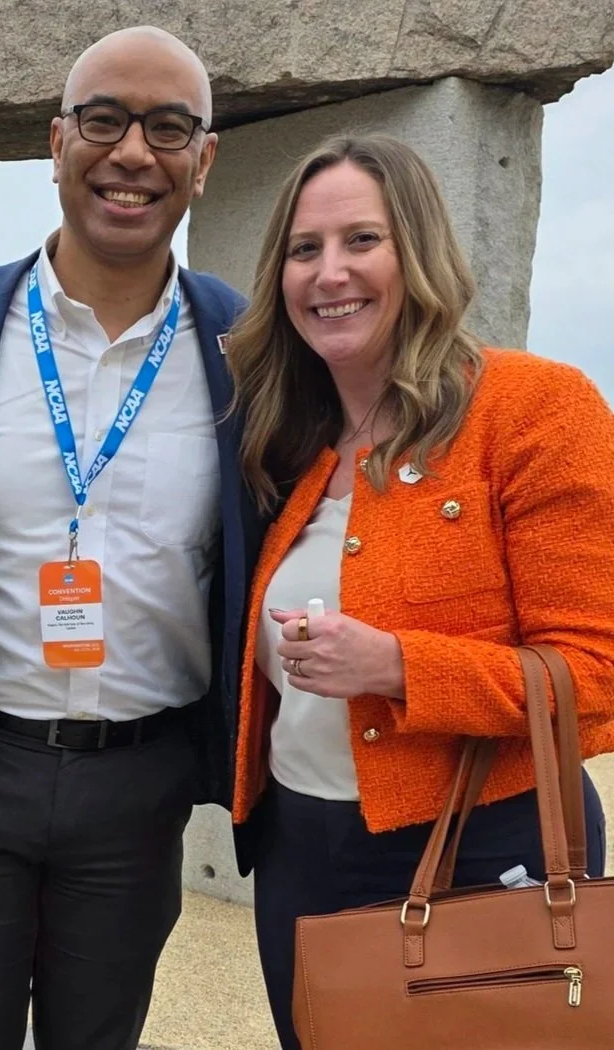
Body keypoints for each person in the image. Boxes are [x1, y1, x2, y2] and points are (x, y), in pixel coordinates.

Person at [0, 26, 266, 1050]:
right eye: (102, 120)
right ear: (55, 142)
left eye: (168, 128)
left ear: (204, 159)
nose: (131, 153)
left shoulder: (251, 347)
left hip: (138, 784)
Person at [226, 132, 614, 1050]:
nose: (330, 273)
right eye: (304, 249)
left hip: (483, 852)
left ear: (420, 254)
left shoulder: (532, 408)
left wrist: (397, 666)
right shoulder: (290, 439)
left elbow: (596, 671)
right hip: (302, 854)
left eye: (362, 240)